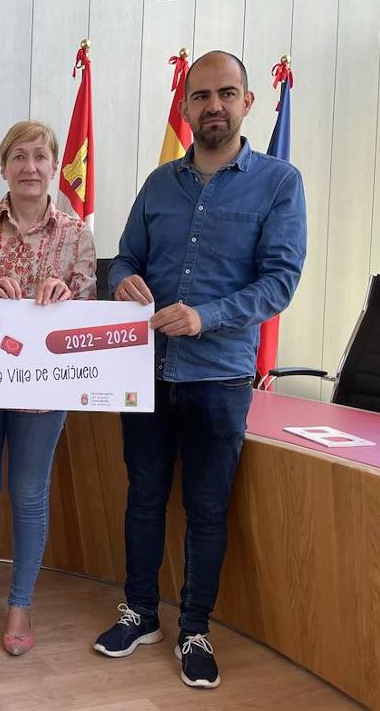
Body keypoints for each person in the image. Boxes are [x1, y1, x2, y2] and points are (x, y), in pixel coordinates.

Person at [93, 51, 307, 689]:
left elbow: (280, 281)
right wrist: (123, 278)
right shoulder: (159, 183)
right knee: (143, 498)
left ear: (247, 102)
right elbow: (124, 258)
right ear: (185, 106)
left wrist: (205, 317)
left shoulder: (279, 182)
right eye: (201, 95)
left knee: (207, 510)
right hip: (146, 370)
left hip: (219, 377)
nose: (213, 105)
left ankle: (194, 629)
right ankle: (139, 613)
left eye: (226, 93)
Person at [0, 120, 96, 656]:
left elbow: (89, 319)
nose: (30, 167)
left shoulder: (76, 235)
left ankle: (21, 602)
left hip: (42, 391)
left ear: (54, 166)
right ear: (3, 166)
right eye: (19, 157)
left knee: (30, 495)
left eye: (40, 157)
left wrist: (67, 298)